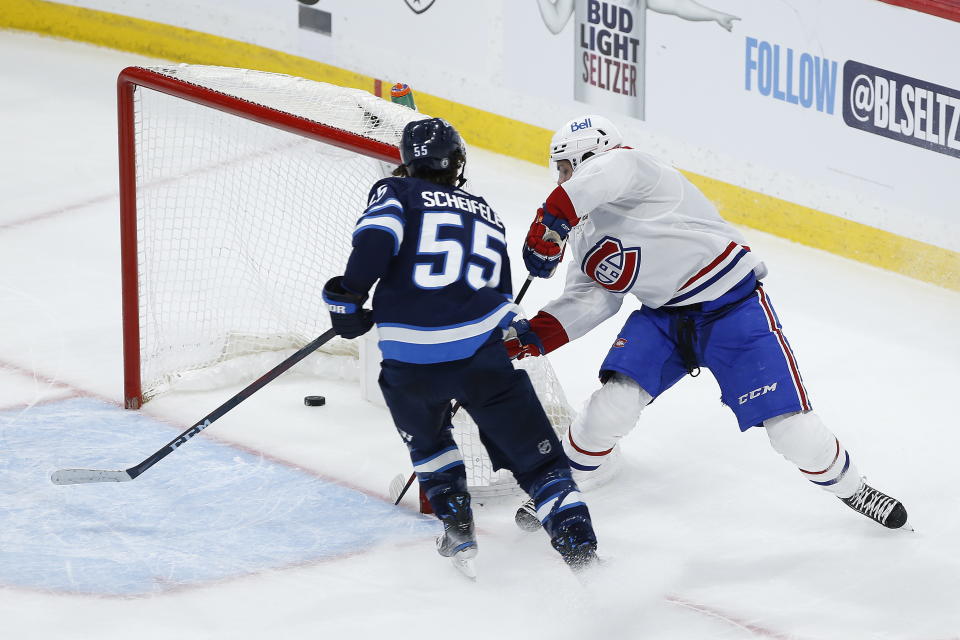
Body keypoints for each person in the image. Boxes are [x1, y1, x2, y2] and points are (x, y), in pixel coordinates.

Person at [506, 114, 909, 532]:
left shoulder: (637, 170)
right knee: (613, 407)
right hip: (664, 319)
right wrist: (532, 336)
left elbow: (604, 175)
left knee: (792, 431)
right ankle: (562, 488)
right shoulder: (583, 233)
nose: (561, 178)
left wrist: (549, 218)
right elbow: (592, 300)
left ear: (589, 156)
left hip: (732, 310)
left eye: (567, 167)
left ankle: (854, 488)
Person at [321, 117, 600, 576]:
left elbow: (376, 240)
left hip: (409, 360)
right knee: (542, 466)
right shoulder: (485, 210)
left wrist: (348, 297)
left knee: (430, 443)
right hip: (481, 355)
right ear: (458, 165)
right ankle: (585, 559)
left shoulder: (396, 192)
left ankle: (458, 530)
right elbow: (501, 294)